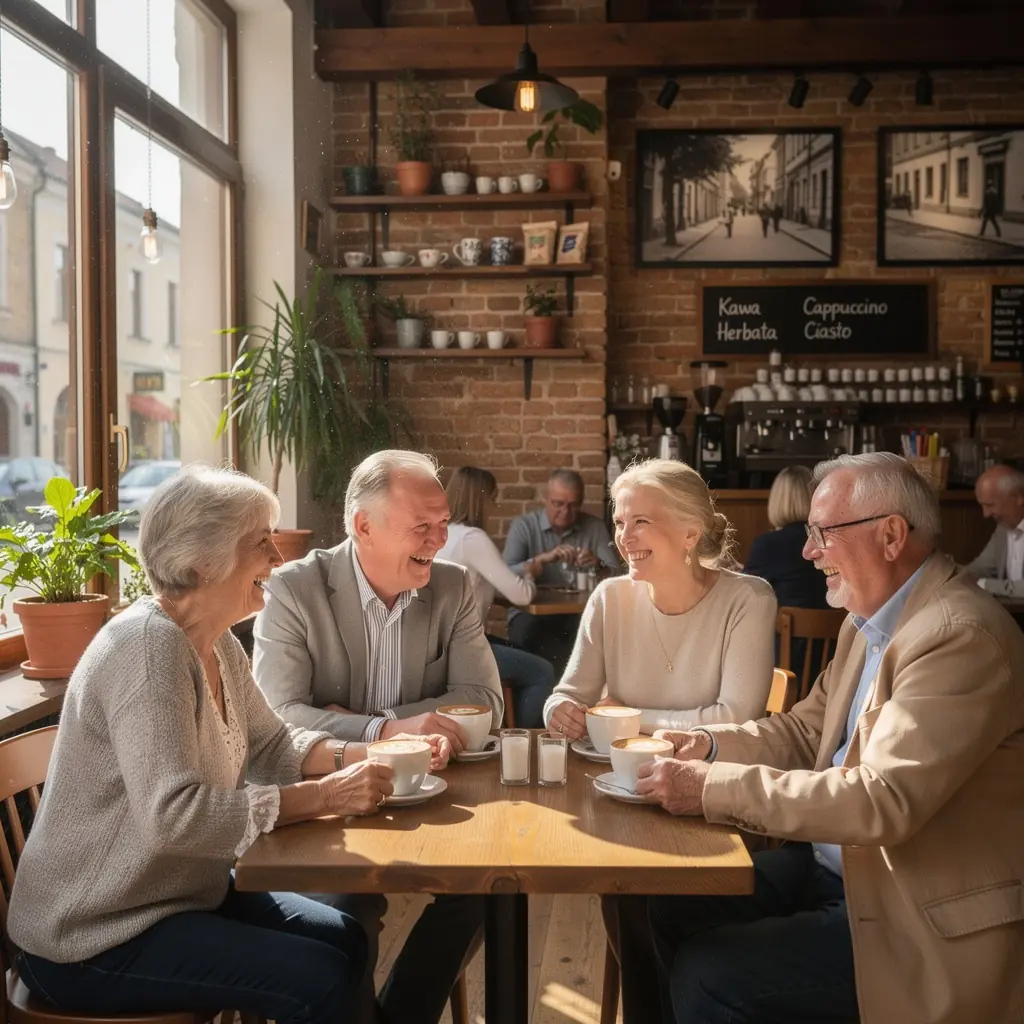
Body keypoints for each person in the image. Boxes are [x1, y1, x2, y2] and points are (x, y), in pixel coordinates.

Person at [7, 466, 454, 1024]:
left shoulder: (217, 647)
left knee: (346, 939)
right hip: (92, 935)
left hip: (180, 900)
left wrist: (369, 755)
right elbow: (175, 817)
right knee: (321, 977)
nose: (277, 557)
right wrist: (326, 797)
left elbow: (272, 746)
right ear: (201, 562)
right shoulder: (146, 650)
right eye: (259, 542)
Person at [641, 452, 1024, 1024]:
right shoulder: (866, 621)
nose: (807, 551)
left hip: (913, 910)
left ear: (891, 535)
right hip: (838, 870)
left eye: (822, 533)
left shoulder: (957, 636)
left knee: (711, 974)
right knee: (656, 904)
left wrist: (710, 788)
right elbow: (805, 729)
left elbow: (880, 799)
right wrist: (706, 745)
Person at [254, 450, 501, 1024]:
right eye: (423, 526)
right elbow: (277, 716)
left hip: (438, 799)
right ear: (363, 525)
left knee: (488, 891)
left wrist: (369, 719)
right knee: (345, 914)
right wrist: (388, 730)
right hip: (325, 804)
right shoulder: (294, 588)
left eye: (443, 524)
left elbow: (484, 700)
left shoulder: (453, 586)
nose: (440, 540)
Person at [545, 459, 777, 1024]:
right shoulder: (609, 598)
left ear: (690, 532)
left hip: (713, 801)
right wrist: (563, 711)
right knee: (622, 886)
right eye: (620, 521)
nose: (624, 537)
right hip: (625, 794)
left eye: (641, 522)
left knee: (644, 900)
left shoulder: (748, 599)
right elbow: (567, 692)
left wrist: (618, 718)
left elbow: (734, 718)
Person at [437, 466, 556, 728]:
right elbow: (522, 595)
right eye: (492, 498)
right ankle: (524, 741)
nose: (495, 504)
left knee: (525, 652)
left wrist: (528, 565)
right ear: (481, 500)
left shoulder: (444, 536)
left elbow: (492, 574)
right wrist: (531, 575)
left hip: (442, 646)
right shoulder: (473, 538)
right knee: (542, 671)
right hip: (462, 650)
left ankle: (506, 727)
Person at [503, 468, 619, 673]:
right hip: (530, 615)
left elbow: (619, 576)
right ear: (545, 499)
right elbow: (504, 576)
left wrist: (598, 564)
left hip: (578, 614)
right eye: (558, 504)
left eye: (573, 505)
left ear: (581, 502)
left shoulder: (594, 527)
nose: (565, 511)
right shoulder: (524, 527)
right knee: (534, 636)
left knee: (595, 634)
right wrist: (541, 560)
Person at [744, 465, 829, 608]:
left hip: (787, 629)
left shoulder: (767, 545)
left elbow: (746, 593)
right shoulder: (832, 539)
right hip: (837, 628)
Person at [968, 463, 1024, 581]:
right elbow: (980, 568)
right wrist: (950, 576)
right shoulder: (1003, 528)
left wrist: (984, 584)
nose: (986, 514)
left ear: (1018, 497)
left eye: (990, 505)